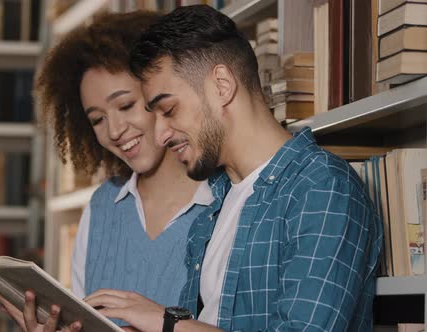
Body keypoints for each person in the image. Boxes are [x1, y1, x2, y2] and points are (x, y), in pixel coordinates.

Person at [85, 5, 383, 332]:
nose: (160, 134)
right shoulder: (215, 207)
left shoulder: (323, 188)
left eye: (168, 110)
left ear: (222, 86)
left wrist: (168, 324)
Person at [0, 10, 227, 332]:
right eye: (97, 119)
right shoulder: (101, 207)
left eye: (126, 105)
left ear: (161, 94)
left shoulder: (227, 200)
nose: (115, 130)